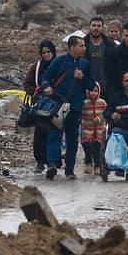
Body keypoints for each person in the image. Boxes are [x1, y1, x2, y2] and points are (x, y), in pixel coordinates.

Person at [40, 35, 96, 180]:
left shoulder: (85, 65)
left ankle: (69, 169)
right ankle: (52, 164)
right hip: (59, 105)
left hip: (76, 106)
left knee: (72, 138)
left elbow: (91, 85)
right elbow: (46, 77)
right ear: (72, 47)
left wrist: (82, 77)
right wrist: (47, 87)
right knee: (55, 134)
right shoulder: (59, 61)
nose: (84, 48)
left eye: (84, 45)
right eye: (81, 46)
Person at [23, 40, 56, 174]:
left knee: (53, 133)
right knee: (39, 133)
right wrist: (36, 90)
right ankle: (40, 161)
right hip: (39, 104)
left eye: (49, 52)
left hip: (55, 104)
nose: (47, 55)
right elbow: (27, 84)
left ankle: (52, 161)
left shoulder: (58, 65)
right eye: (44, 53)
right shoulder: (36, 67)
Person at [81, 82, 107, 175]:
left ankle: (97, 165)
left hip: (99, 129)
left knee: (97, 147)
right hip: (87, 127)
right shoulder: (84, 103)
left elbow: (105, 114)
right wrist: (82, 120)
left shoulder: (102, 102)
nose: (93, 93)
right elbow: (82, 115)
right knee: (86, 145)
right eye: (91, 91)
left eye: (95, 91)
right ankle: (88, 163)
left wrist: (99, 118)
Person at [85, 17, 115, 95]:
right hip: (87, 89)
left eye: (99, 26)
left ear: (102, 28)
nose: (96, 28)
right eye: (94, 25)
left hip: (106, 89)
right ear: (89, 27)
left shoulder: (110, 46)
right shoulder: (83, 45)